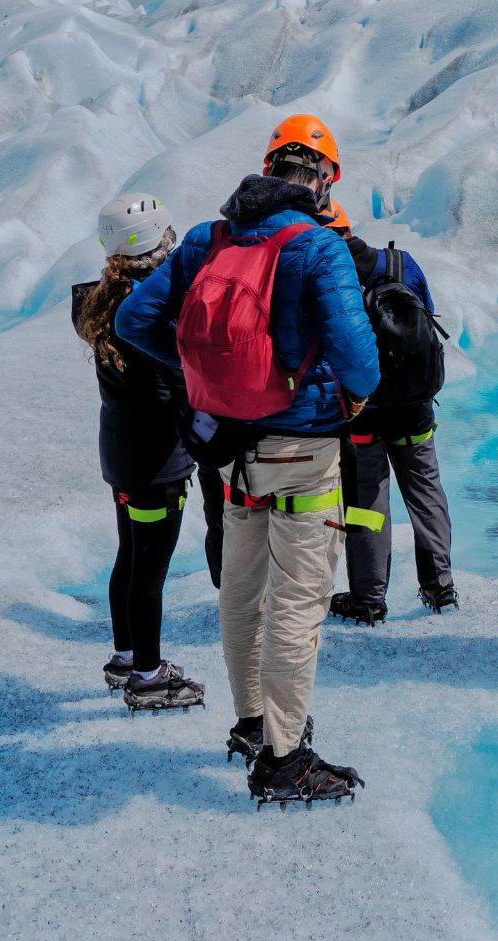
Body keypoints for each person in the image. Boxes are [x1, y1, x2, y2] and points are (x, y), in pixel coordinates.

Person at [116, 114, 379, 807]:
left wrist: (206, 377)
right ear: (324, 179)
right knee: (297, 599)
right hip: (305, 447)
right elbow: (359, 359)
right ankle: (287, 759)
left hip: (230, 450)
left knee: (241, 590)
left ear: (267, 169)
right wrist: (346, 400)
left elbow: (132, 321)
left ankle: (252, 723)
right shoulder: (318, 247)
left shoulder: (209, 237)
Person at [71, 193, 204, 712]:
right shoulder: (151, 309)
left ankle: (126, 658)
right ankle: (147, 677)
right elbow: (176, 385)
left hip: (122, 452)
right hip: (156, 460)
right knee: (150, 567)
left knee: (130, 555)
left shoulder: (101, 297)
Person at [319, 199, 460, 623]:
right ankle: (441, 587)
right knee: (427, 493)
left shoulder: (326, 276)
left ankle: (369, 598)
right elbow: (425, 317)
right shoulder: (399, 262)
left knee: (367, 501)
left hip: (363, 411)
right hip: (415, 408)